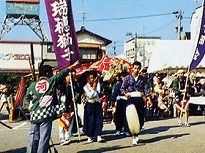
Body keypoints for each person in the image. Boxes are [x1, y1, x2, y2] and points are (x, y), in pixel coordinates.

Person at [26, 61, 79, 153]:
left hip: (34, 115)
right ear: (47, 73)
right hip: (46, 115)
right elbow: (62, 74)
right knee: (44, 138)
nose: (52, 74)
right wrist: (72, 66)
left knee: (33, 136)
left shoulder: (32, 85)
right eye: (51, 72)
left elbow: (27, 98)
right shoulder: (50, 82)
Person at [120, 61, 148, 145]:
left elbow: (146, 89)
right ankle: (133, 136)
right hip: (130, 99)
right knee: (132, 118)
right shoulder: (127, 78)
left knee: (140, 117)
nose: (137, 70)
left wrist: (146, 96)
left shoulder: (142, 78)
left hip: (139, 99)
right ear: (132, 68)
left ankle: (137, 134)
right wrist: (125, 93)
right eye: (135, 68)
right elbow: (122, 89)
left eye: (138, 68)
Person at [82, 71, 104, 143]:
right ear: (88, 79)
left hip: (97, 104)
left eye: (93, 77)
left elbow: (99, 92)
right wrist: (94, 87)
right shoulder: (85, 87)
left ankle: (98, 135)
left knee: (98, 120)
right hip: (89, 105)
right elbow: (91, 95)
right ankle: (90, 136)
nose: (92, 79)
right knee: (90, 121)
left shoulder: (98, 84)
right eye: (90, 78)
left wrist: (96, 84)